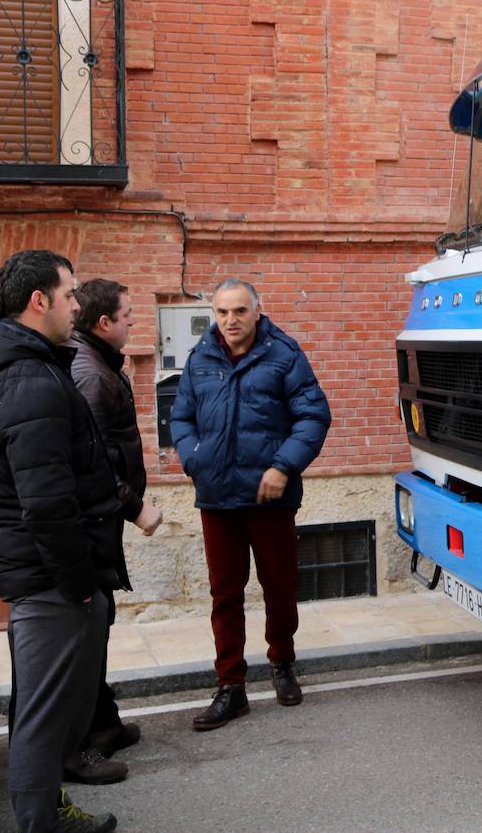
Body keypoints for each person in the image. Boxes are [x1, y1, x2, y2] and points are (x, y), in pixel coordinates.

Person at [0, 250, 158, 833]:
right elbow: (45, 503)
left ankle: (47, 811)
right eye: (69, 295)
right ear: (38, 301)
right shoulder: (27, 381)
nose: (76, 306)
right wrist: (78, 584)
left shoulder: (34, 369)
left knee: (54, 703)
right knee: (42, 711)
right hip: (50, 576)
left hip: (51, 569)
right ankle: (40, 822)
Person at [170, 278, 331, 730]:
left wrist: (283, 467)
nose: (230, 321)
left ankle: (282, 662)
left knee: (280, 586)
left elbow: (314, 416)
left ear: (257, 311)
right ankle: (231, 686)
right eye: (222, 313)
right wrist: (192, 459)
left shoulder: (284, 353)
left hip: (270, 498)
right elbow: (181, 416)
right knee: (225, 594)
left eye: (239, 311)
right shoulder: (200, 357)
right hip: (218, 497)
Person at [65, 279, 164, 783]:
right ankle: (82, 742)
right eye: (127, 315)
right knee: (87, 631)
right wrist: (135, 508)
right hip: (94, 521)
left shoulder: (98, 363)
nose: (132, 323)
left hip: (102, 519)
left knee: (99, 623)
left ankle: (104, 723)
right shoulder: (89, 375)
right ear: (104, 323)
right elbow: (98, 460)